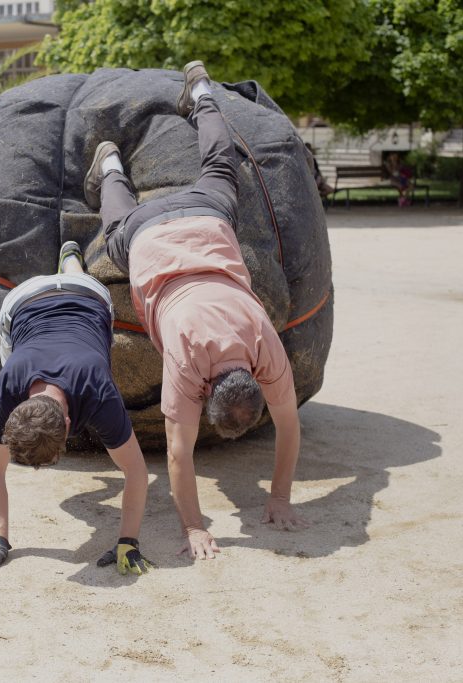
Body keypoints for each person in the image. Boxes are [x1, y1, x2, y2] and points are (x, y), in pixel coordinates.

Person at [85, 61, 309, 561]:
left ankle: (202, 94)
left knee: (222, 169)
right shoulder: (189, 363)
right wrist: (195, 528)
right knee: (118, 230)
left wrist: (273, 497)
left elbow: (282, 430)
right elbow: (178, 454)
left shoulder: (262, 342)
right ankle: (112, 169)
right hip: (148, 235)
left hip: (204, 216)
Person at [0, 242, 154, 576]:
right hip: (25, 301)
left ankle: (71, 264)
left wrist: (128, 540)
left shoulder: (98, 391)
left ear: (71, 422)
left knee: (70, 324)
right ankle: (70, 263)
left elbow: (137, 472)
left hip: (88, 298)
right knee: (21, 347)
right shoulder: (6, 385)